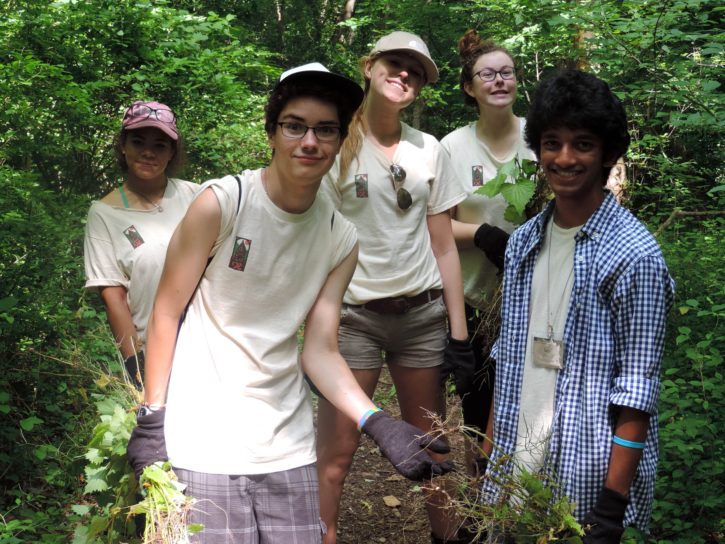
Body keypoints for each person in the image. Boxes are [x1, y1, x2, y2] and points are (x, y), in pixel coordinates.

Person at [125, 63, 452, 544]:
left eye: (325, 130)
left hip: (289, 445)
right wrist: (154, 417)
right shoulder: (222, 203)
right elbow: (166, 313)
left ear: (342, 140)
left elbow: (319, 350)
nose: (310, 142)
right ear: (272, 133)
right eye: (295, 126)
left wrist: (376, 421)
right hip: (203, 441)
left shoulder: (341, 238)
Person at [484, 69, 674, 542]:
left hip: (583, 485)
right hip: (515, 469)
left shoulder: (635, 256)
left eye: (583, 144)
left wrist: (611, 507)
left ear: (609, 154)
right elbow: (510, 354)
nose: (564, 158)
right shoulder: (524, 242)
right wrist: (489, 449)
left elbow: (637, 391)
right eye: (552, 142)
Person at [315, 32, 476, 544]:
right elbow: (313, 237)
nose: (403, 73)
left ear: (422, 86)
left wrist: (458, 332)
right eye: (394, 62)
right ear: (369, 66)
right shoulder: (335, 142)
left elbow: (444, 243)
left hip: (422, 315)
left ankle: (445, 538)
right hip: (355, 315)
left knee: (435, 445)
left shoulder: (428, 149)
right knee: (339, 452)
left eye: (415, 69)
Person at [440, 30, 537, 475]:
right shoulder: (452, 147)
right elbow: (436, 224)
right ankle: (482, 506)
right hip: (477, 301)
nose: (499, 81)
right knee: (480, 417)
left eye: (507, 73)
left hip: (538, 299)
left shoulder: (541, 139)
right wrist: (481, 233)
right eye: (487, 75)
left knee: (531, 412)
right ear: (469, 86)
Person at [84, 101, 197, 388]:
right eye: (138, 141)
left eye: (160, 145)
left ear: (172, 153)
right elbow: (115, 298)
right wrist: (137, 366)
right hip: (158, 353)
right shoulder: (105, 213)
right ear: (123, 145)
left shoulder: (198, 197)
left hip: (211, 346)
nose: (148, 152)